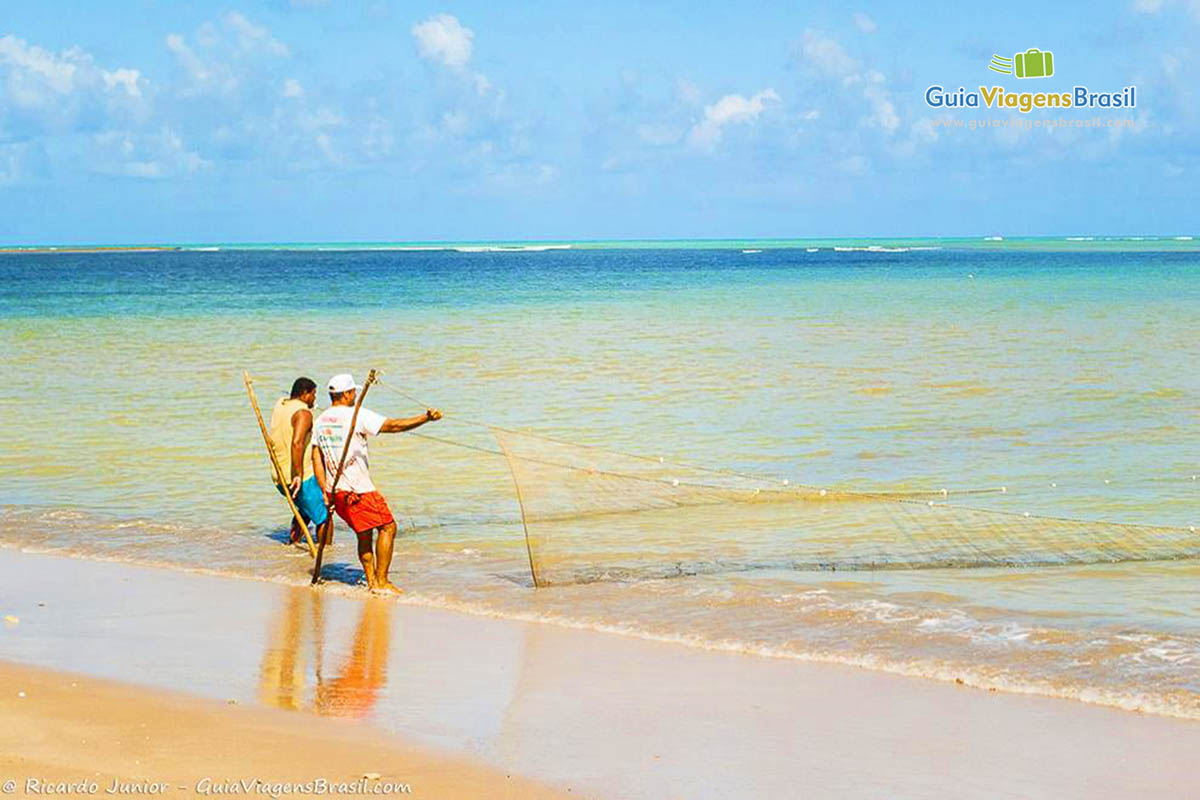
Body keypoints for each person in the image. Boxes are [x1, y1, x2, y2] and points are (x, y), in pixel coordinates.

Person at [312, 373, 442, 594]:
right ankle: (381, 581)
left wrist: (325, 489)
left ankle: (372, 581)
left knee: (364, 533)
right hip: (358, 489)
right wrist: (425, 418)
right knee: (388, 526)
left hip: (336, 490)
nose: (354, 395)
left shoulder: (321, 419)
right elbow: (393, 426)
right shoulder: (355, 415)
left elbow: (316, 456)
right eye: (353, 392)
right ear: (346, 394)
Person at [268, 377, 329, 545]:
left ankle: (293, 544)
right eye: (313, 394)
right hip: (301, 477)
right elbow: (297, 443)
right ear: (305, 393)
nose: (315, 398)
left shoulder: (280, 404)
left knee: (305, 510)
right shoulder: (304, 414)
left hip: (279, 475)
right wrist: (298, 474)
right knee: (325, 517)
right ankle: (325, 554)